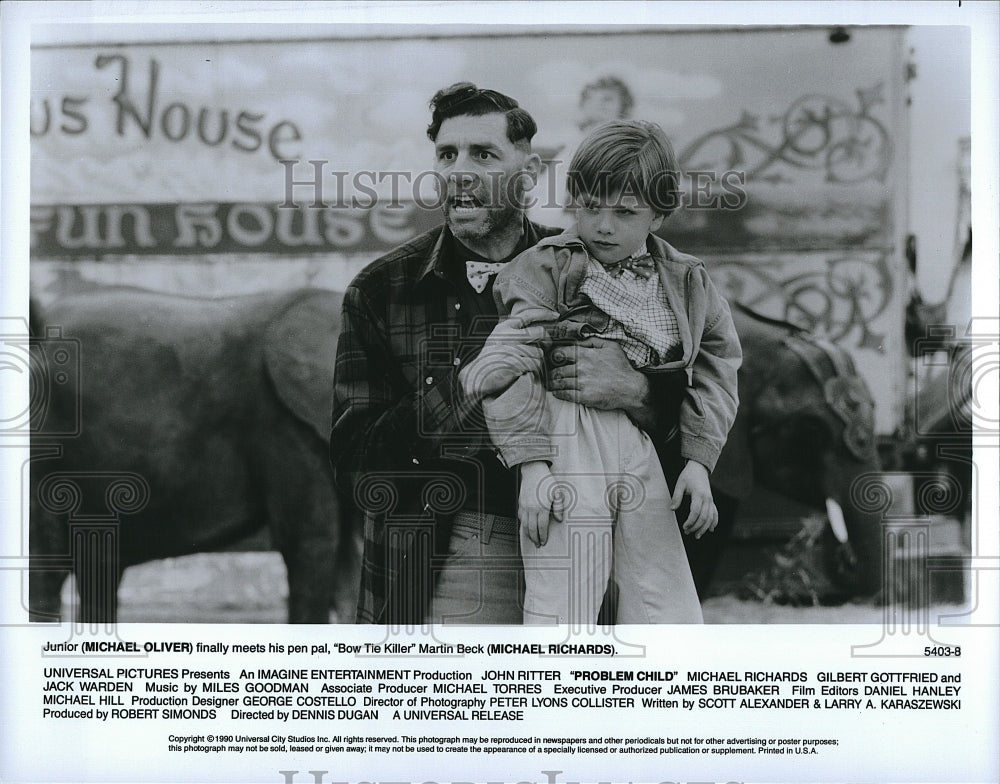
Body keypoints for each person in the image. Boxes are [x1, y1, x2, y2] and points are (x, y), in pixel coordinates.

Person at [330, 83, 682, 626]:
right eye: (447, 155)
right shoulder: (380, 290)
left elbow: (693, 407)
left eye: (483, 154)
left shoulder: (598, 262)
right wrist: (467, 383)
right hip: (453, 555)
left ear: (530, 170)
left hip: (591, 535)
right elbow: (356, 465)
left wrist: (640, 392)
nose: (460, 172)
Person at [468, 120, 742, 624]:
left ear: (658, 215)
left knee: (667, 602)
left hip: (640, 441)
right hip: (566, 436)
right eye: (591, 207)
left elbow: (717, 368)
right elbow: (512, 363)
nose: (604, 226)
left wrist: (699, 463)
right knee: (565, 599)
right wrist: (531, 467)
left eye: (625, 212)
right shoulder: (545, 267)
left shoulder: (687, 279)